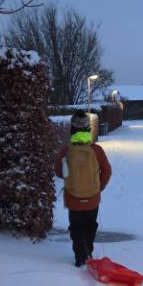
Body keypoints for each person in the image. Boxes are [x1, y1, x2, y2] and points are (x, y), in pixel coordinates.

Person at [55, 110, 112, 267]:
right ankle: (88, 251)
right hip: (92, 197)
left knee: (76, 227)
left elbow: (59, 172)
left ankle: (80, 257)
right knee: (90, 225)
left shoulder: (66, 150)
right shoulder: (96, 150)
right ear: (89, 129)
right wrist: (98, 188)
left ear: (72, 129)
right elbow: (107, 171)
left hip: (73, 198)